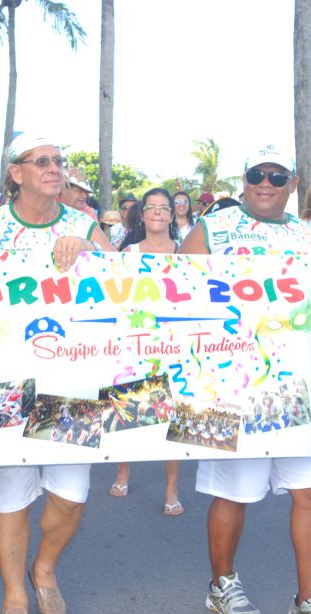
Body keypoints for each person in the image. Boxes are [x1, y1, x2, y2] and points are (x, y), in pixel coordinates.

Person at [180, 143, 311, 614]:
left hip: (295, 385)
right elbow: (173, 293)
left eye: (277, 176)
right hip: (227, 384)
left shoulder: (309, 237)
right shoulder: (213, 228)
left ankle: (309, 600)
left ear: (293, 184)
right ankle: (221, 583)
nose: (266, 183)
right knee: (232, 493)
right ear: (244, 178)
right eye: (258, 173)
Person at [0, 132, 114, 614]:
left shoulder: (83, 224)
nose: (55, 168)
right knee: (10, 498)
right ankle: (15, 596)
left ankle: (44, 568)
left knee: (71, 496)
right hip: (0, 381)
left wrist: (91, 253)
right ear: (16, 172)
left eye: (59, 161)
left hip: (73, 379)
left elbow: (125, 288)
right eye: (43, 161)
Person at [109, 188, 184, 515]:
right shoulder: (128, 252)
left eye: (163, 207)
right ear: (141, 215)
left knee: (174, 415)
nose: (157, 212)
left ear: (171, 214)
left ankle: (172, 488)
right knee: (129, 407)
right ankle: (123, 471)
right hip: (134, 338)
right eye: (151, 207)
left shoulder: (185, 253)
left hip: (174, 340)